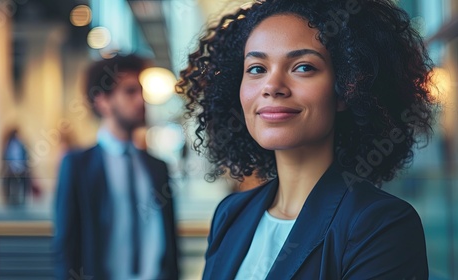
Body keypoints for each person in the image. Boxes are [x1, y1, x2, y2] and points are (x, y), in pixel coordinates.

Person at [177, 0, 436, 279]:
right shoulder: (230, 214)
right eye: (256, 68)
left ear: (346, 89)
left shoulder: (381, 225)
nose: (272, 87)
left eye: (302, 67)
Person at [53, 54, 179, 280]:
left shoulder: (158, 167)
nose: (141, 100)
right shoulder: (78, 166)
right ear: (102, 101)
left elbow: (170, 238)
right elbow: (66, 244)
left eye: (140, 91)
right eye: (130, 92)